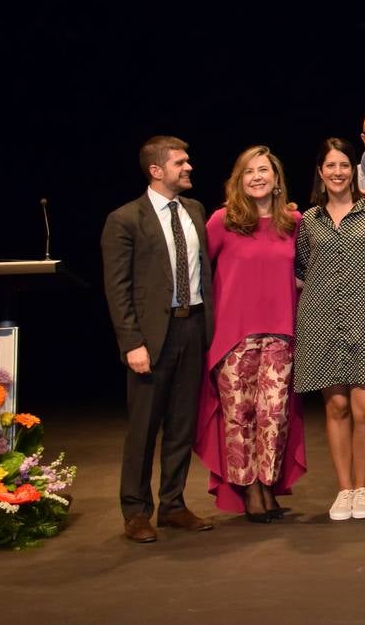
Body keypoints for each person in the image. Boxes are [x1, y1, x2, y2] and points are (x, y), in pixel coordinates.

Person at [101, 135, 217, 542]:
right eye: (180, 163)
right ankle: (135, 511)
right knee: (144, 427)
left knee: (182, 424)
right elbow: (118, 288)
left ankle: (173, 504)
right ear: (156, 170)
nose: (189, 168)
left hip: (193, 326)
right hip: (152, 335)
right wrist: (131, 342)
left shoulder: (195, 210)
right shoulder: (126, 219)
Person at [194, 145, 307, 522]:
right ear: (238, 181)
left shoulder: (295, 222)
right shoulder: (222, 221)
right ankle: (251, 491)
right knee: (238, 417)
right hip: (233, 338)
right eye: (249, 172)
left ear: (277, 180)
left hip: (281, 335)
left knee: (273, 416)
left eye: (264, 171)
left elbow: (306, 275)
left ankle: (268, 483)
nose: (258, 177)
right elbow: (196, 275)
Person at [295, 136, 365, 521]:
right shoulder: (309, 220)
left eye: (344, 165)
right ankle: (344, 490)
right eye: (331, 166)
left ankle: (362, 486)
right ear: (321, 172)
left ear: (352, 170)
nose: (338, 172)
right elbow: (301, 272)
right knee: (337, 406)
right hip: (322, 323)